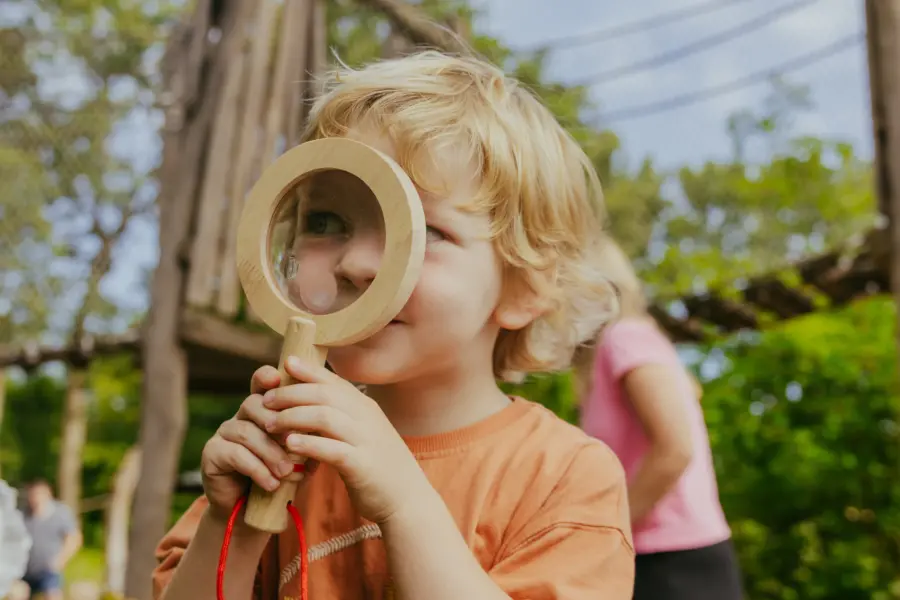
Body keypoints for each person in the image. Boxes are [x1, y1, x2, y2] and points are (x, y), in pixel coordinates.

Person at [153, 51, 635, 600]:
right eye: (324, 221)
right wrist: (233, 526)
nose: (356, 263)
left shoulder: (564, 475)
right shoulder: (287, 450)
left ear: (525, 287)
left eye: (426, 232)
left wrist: (405, 502)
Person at [574, 239, 744, 600]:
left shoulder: (625, 338)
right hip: (655, 559)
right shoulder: (616, 350)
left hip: (675, 562)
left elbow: (675, 448)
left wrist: (607, 532)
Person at [20, 480, 82, 600]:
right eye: (32, 495)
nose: (35, 499)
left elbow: (74, 538)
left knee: (52, 594)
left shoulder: (60, 513)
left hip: (49, 569)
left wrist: (61, 559)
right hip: (25, 569)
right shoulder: (22, 515)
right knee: (16, 593)